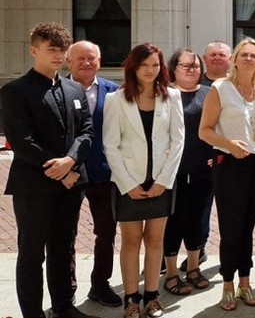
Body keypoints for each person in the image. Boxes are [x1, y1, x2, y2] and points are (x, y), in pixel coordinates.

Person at [2, 22, 96, 318]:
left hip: (71, 184)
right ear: (34, 50)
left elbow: (87, 131)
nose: (58, 55)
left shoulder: (74, 88)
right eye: (51, 49)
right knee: (32, 253)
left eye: (62, 50)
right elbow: (22, 141)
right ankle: (33, 313)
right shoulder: (15, 91)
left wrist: (71, 162)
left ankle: (63, 307)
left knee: (63, 248)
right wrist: (61, 169)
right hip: (34, 186)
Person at [103, 43, 184, 318]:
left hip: (161, 181)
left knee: (155, 240)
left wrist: (164, 180)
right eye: (144, 65)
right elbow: (110, 145)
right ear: (133, 67)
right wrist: (127, 184)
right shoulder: (116, 99)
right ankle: (131, 298)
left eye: (155, 65)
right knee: (131, 240)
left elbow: (178, 141)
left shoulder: (172, 96)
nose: (150, 70)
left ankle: (151, 296)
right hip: (129, 183)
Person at [199, 37, 255, 311]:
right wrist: (228, 144)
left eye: (254, 55)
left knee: (248, 225)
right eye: (244, 54)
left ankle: (245, 282)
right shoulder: (220, 88)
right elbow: (204, 130)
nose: (249, 59)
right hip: (230, 162)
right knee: (231, 226)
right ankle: (227, 284)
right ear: (235, 60)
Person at [66, 40, 121, 308]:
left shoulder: (114, 91)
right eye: (80, 58)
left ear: (99, 61)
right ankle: (66, 291)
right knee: (65, 236)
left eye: (92, 58)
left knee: (106, 234)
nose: (86, 62)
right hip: (68, 176)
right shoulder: (56, 89)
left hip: (103, 174)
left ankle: (100, 285)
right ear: (69, 61)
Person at [161, 49, 215, 296]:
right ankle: (171, 273)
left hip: (203, 169)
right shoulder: (164, 94)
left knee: (197, 218)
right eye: (185, 66)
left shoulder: (209, 93)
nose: (192, 70)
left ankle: (193, 268)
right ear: (174, 68)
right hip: (172, 171)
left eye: (195, 66)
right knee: (174, 220)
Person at [190, 40, 232, 272]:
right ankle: (199, 248)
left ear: (230, 60)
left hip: (229, 156)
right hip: (199, 157)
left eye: (222, 54)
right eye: (212, 54)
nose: (217, 58)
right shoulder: (195, 84)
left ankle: (230, 253)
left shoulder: (235, 85)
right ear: (204, 59)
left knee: (229, 210)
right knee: (200, 208)